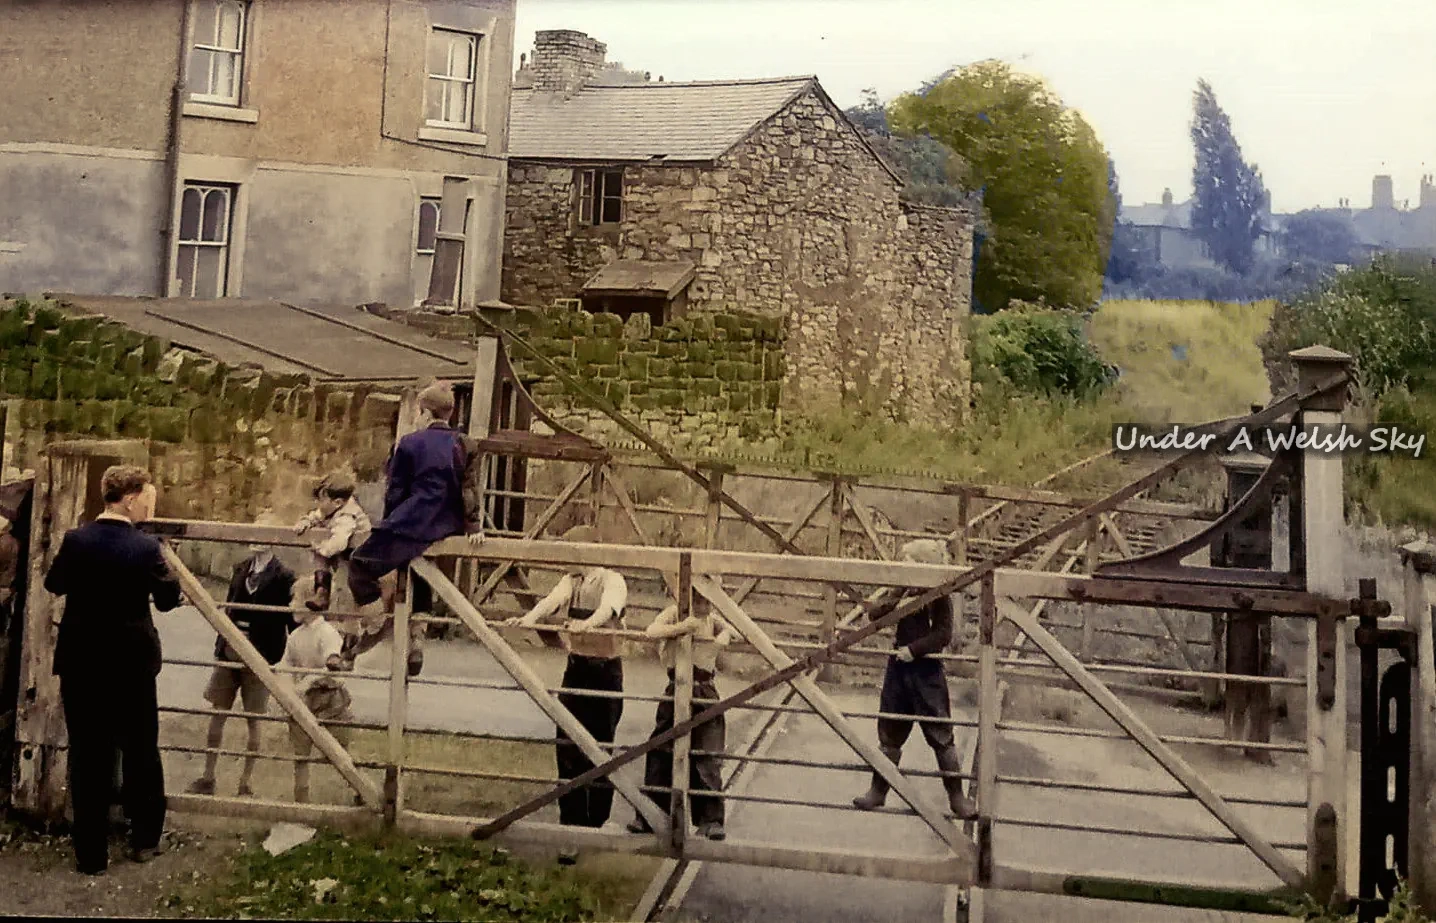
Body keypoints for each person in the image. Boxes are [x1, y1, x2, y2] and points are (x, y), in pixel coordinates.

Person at [44, 465, 181, 876]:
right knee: (140, 750)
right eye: (147, 498)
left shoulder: (76, 539)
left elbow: (54, 583)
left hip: (82, 661)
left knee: (88, 754)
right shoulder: (145, 547)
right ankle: (144, 839)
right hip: (131, 663)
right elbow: (168, 600)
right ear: (130, 498)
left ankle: (91, 854)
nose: (149, 506)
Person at [343, 382, 485, 677]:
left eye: (419, 412)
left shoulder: (409, 444)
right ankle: (418, 638)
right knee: (419, 568)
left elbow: (396, 490)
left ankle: (376, 622)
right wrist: (473, 525)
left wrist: (389, 523)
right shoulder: (465, 444)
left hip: (413, 520)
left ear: (425, 413)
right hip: (447, 525)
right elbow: (469, 487)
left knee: (359, 565)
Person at [506, 526, 627, 862]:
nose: (563, 558)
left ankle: (596, 824)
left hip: (605, 673)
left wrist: (589, 624)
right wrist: (528, 618)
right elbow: (551, 602)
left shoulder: (612, 580)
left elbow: (609, 608)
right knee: (567, 748)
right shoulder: (570, 581)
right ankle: (570, 829)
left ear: (585, 551)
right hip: (576, 670)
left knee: (600, 748)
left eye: (569, 550)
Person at [851, 539, 977, 820]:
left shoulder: (939, 596)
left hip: (926, 672)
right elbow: (876, 613)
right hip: (899, 670)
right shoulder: (902, 591)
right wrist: (897, 592)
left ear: (923, 566)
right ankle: (878, 790)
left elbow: (943, 634)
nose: (903, 567)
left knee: (941, 735)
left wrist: (915, 650)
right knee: (890, 732)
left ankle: (957, 797)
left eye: (909, 563)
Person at [187, 512, 297, 797]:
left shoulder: (284, 577)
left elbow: (291, 622)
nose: (253, 538)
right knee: (217, 714)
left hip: (260, 656)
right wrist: (221, 646)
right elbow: (228, 609)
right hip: (229, 651)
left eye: (261, 533)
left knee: (254, 720)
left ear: (273, 539)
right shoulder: (240, 569)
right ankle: (207, 776)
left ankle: (246, 783)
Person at [628, 589, 735, 841]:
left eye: (706, 601)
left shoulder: (712, 620)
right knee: (661, 750)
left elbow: (733, 631)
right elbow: (651, 631)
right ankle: (650, 815)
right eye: (696, 600)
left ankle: (710, 820)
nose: (702, 605)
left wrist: (724, 637)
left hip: (704, 688)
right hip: (676, 686)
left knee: (707, 754)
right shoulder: (674, 614)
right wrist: (681, 628)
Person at [279, 586, 356, 805]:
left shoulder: (327, 633)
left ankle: (360, 790)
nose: (291, 605)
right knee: (300, 753)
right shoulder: (296, 636)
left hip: (330, 699)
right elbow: (287, 663)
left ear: (312, 601)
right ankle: (301, 800)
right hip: (304, 700)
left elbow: (331, 666)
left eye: (295, 599)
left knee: (340, 750)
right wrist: (285, 685)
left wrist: (306, 683)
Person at [293, 470, 371, 613]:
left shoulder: (347, 516)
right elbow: (317, 515)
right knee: (321, 556)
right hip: (344, 554)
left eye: (321, 501)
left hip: (358, 558)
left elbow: (339, 542)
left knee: (344, 587)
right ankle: (321, 592)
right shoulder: (333, 508)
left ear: (337, 503)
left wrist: (322, 548)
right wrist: (306, 521)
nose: (318, 504)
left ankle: (343, 610)